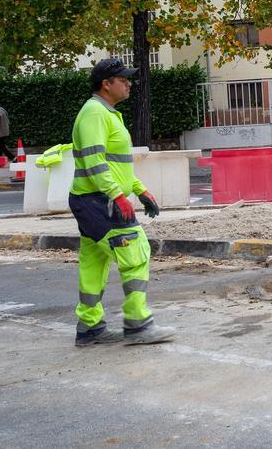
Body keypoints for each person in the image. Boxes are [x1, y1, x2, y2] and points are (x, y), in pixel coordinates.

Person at [69, 57, 174, 347]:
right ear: (106, 84)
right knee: (136, 253)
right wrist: (116, 194)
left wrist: (140, 190)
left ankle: (89, 328)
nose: (129, 84)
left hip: (92, 200)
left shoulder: (106, 113)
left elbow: (117, 164)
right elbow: (94, 161)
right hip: (100, 200)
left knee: (94, 262)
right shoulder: (94, 113)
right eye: (123, 79)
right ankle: (138, 323)